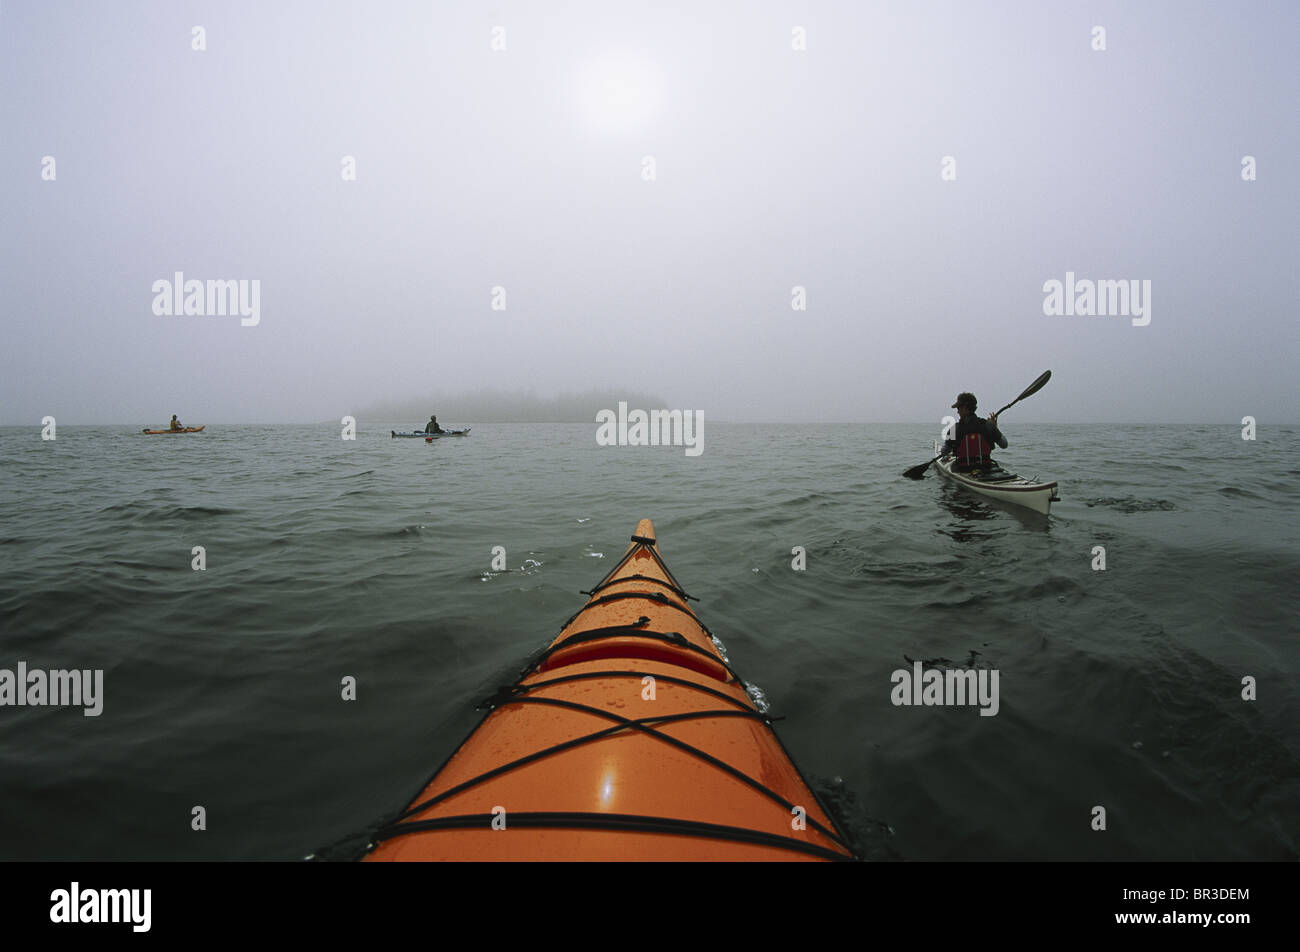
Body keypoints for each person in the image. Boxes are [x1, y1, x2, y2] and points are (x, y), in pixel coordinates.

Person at [943, 392, 1007, 471]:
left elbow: (944, 452)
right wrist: (994, 427)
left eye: (958, 408)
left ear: (965, 408)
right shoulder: (988, 425)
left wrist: (946, 455)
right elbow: (1004, 445)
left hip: (963, 470)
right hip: (986, 469)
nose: (957, 412)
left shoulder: (953, 429)